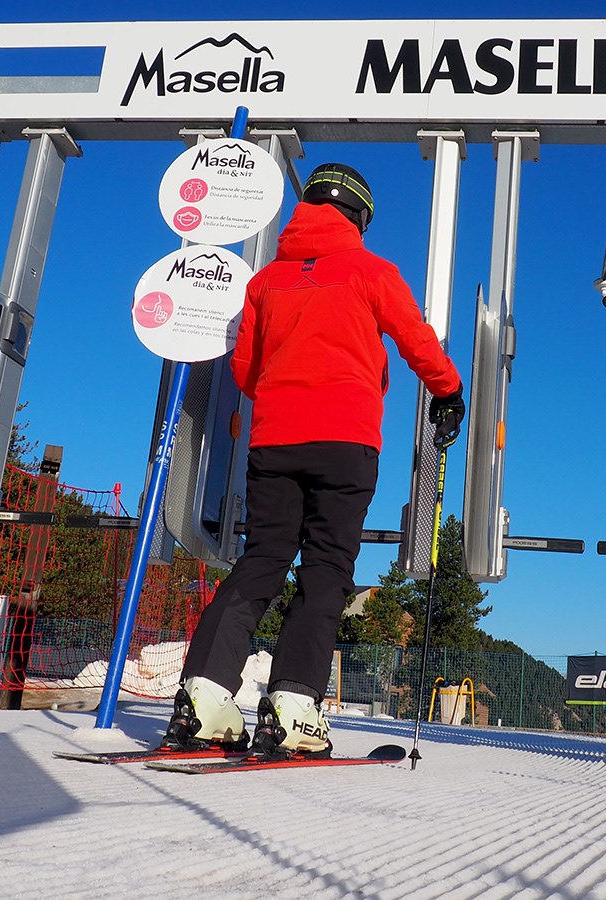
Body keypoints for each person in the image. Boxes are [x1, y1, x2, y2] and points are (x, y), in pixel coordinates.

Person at [164, 163, 466, 758]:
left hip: (274, 441)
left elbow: (245, 371)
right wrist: (450, 392)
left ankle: (205, 697)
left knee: (261, 562)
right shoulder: (371, 272)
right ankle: (294, 705)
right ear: (357, 216)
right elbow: (415, 339)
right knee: (326, 567)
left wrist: (285, 391)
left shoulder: (265, 283)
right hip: (346, 442)